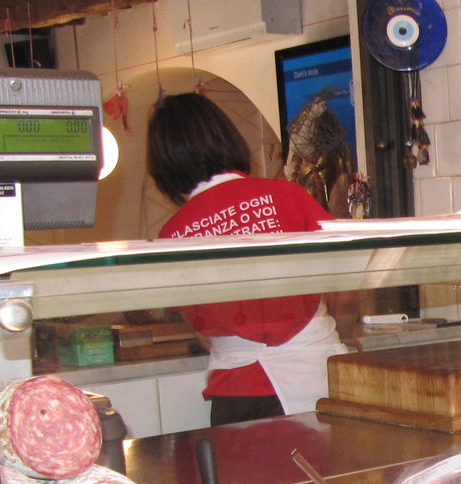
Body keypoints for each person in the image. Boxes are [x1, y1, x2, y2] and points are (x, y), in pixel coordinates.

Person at [147, 93, 346, 425]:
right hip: (317, 381)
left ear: (164, 167)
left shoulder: (171, 234)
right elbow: (345, 280)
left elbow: (201, 330)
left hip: (237, 395)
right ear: (227, 138)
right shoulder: (288, 195)